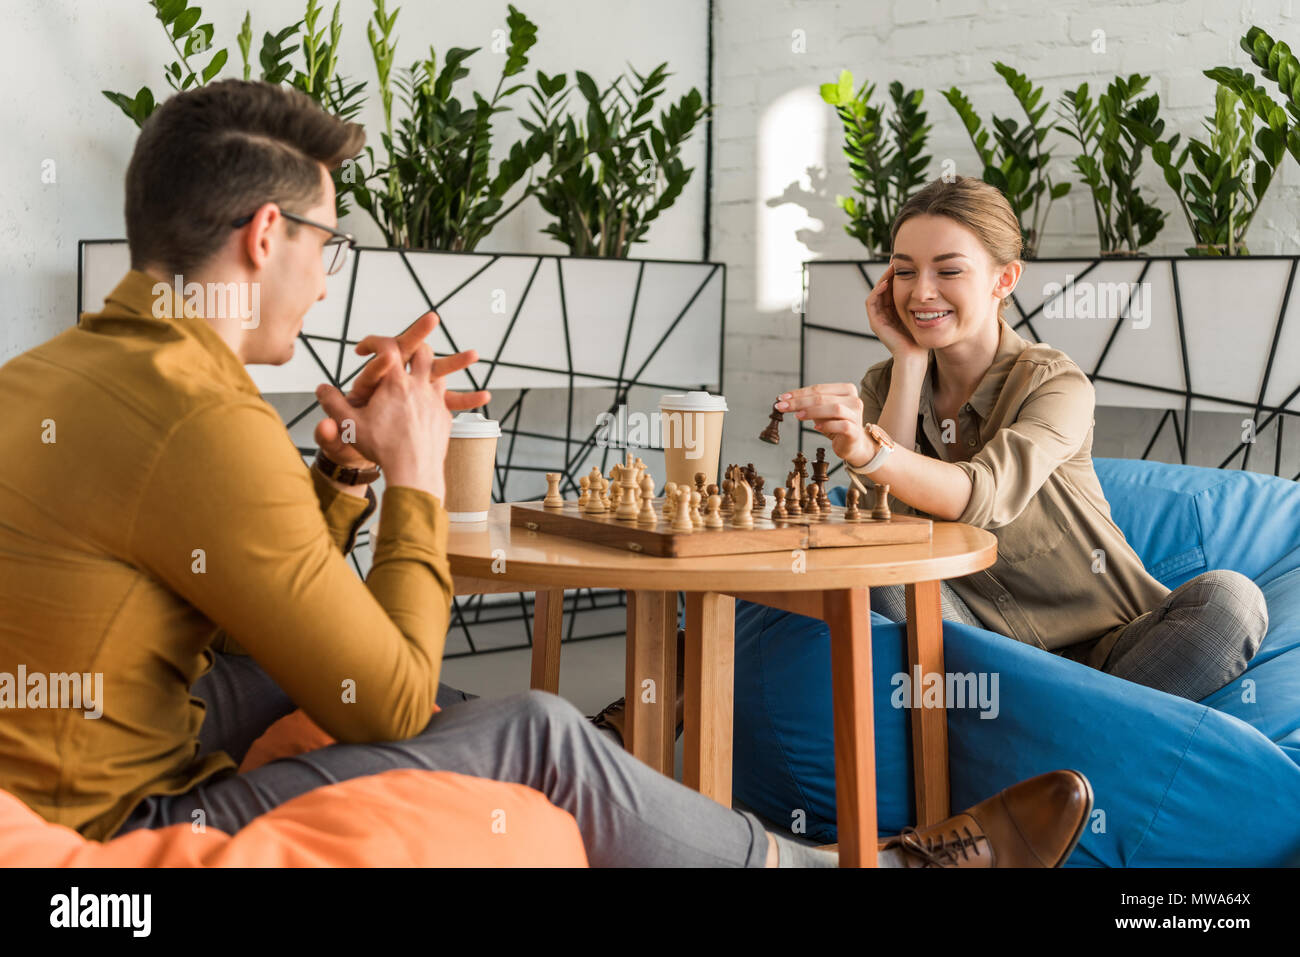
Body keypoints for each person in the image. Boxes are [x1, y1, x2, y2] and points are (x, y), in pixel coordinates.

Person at [0, 81, 1096, 868]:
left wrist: (341, 480)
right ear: (266, 234)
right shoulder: (202, 413)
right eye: (328, 245)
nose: (328, 281)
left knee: (448, 703)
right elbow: (374, 699)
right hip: (117, 819)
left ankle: (624, 781)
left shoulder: (56, 372)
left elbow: (240, 625)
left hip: (111, 729)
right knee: (530, 726)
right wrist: (416, 481)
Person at [779, 175, 1268, 702]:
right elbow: (894, 524)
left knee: (1231, 601)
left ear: (1004, 278)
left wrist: (871, 451)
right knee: (886, 571)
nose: (920, 292)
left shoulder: (1054, 381)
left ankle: (1045, 731)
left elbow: (980, 495)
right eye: (903, 271)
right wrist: (909, 361)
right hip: (980, 653)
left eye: (948, 270)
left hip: (1117, 649)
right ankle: (1073, 737)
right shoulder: (887, 382)